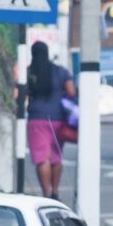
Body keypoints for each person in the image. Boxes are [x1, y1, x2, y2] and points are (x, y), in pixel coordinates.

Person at [20, 41, 74, 201]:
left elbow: (20, 93)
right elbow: (71, 91)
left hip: (36, 119)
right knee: (56, 156)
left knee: (42, 158)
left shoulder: (29, 72)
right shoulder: (60, 71)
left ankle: (46, 193)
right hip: (58, 119)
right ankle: (56, 191)